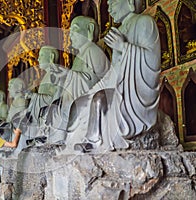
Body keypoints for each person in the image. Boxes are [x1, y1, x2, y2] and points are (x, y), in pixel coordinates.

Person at [75, 0, 161, 152]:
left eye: (113, 2)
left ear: (129, 2)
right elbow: (114, 73)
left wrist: (123, 47)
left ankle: (93, 141)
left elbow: (153, 61)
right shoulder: (119, 31)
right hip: (120, 87)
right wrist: (90, 91)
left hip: (136, 91)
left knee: (99, 99)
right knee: (86, 101)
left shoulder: (144, 22)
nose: (109, 8)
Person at [46, 16, 110, 144]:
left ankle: (64, 136)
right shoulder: (80, 56)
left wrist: (70, 75)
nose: (70, 36)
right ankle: (57, 136)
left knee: (66, 104)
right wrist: (65, 76)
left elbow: (97, 80)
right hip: (76, 98)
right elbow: (78, 77)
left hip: (90, 98)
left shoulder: (93, 50)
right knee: (55, 106)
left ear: (89, 29)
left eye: (74, 31)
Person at [25, 46, 66, 142]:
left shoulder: (55, 73)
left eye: (41, 55)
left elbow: (54, 98)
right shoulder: (47, 75)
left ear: (51, 57)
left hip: (54, 109)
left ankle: (43, 133)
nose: (38, 59)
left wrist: (34, 96)